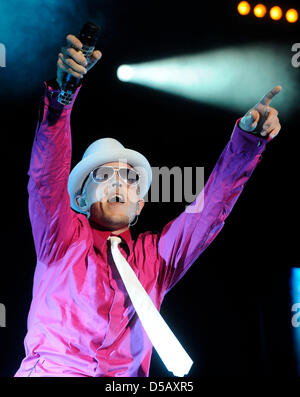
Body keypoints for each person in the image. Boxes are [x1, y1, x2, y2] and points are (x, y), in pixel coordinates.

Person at [15, 33, 281, 377]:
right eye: (103, 176)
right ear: (80, 199)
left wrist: (247, 143)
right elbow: (45, 177)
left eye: (128, 179)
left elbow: (210, 211)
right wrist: (61, 99)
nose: (117, 184)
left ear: (139, 206)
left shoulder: (155, 260)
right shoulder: (61, 239)